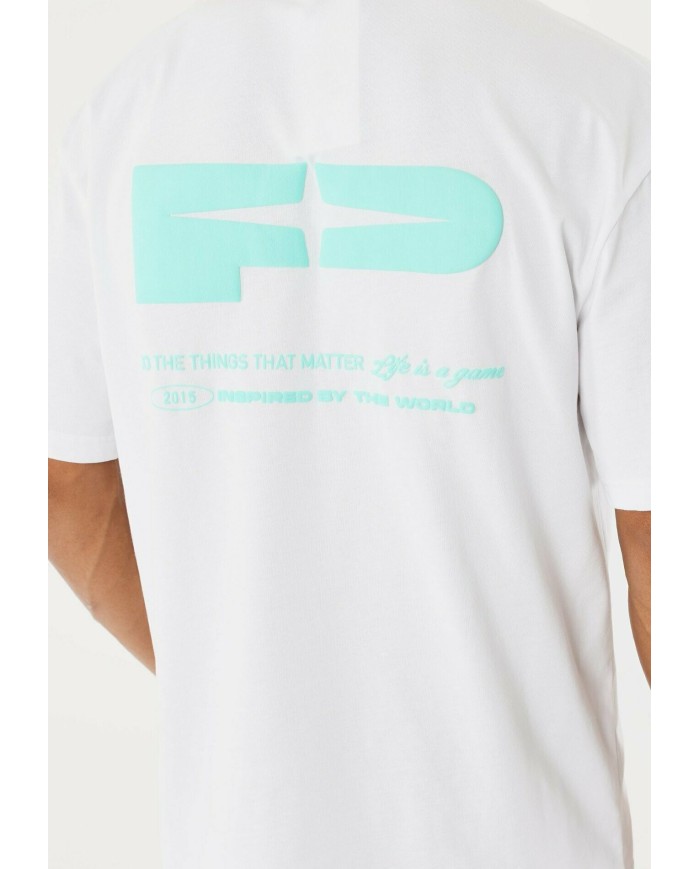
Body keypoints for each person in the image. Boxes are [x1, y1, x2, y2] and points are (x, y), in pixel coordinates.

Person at [48, 0, 650, 866]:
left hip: (237, 835)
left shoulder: (123, 112)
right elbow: (663, 537)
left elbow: (66, 487)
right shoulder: (604, 107)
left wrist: (248, 692)